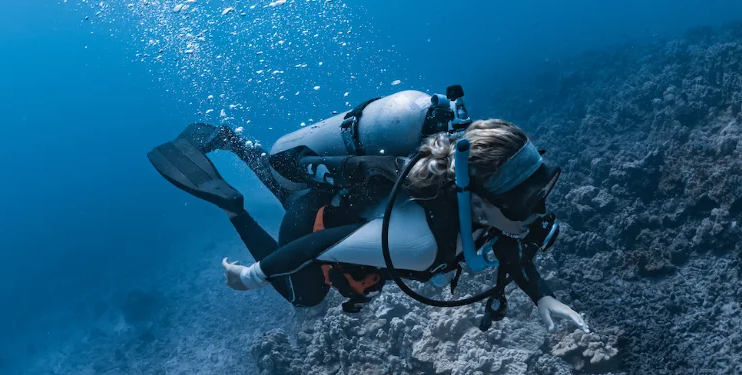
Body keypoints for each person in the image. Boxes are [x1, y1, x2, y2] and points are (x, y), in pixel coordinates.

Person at [148, 88, 589, 334]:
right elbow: (317, 243)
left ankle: (243, 149)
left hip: (352, 200)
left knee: (291, 189)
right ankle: (231, 206)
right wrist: (249, 278)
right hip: (316, 218)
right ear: (476, 199)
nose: (537, 212)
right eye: (525, 201)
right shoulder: (418, 246)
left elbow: (506, 241)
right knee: (308, 297)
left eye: (540, 191)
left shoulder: (480, 204)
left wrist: (541, 295)